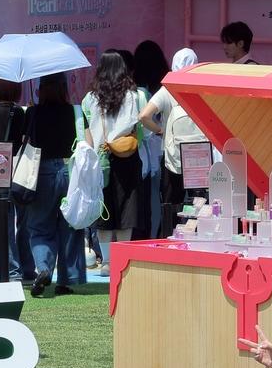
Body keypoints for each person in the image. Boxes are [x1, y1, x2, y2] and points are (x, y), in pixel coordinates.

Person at [23, 73, 82, 297]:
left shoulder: (33, 112)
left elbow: (26, 142)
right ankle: (68, 278)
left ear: (41, 88)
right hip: (70, 169)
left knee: (39, 226)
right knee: (69, 225)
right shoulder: (74, 111)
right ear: (63, 88)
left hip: (42, 170)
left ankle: (44, 268)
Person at [83, 51, 146, 250]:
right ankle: (122, 256)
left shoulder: (90, 98)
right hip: (127, 155)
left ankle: (107, 261)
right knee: (127, 207)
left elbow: (86, 131)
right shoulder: (134, 96)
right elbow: (140, 128)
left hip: (101, 157)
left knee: (104, 207)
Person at [140, 48, 202, 240]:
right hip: (199, 156)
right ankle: (197, 239)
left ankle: (170, 239)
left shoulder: (167, 89)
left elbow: (143, 116)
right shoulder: (201, 87)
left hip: (172, 156)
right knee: (200, 203)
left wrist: (161, 131)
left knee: (171, 202)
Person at [0, 78, 33, 284]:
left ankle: (12, 269)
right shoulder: (20, 112)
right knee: (23, 220)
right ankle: (26, 267)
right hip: (20, 169)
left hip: (0, 170)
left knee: (4, 222)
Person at [132, 40, 169, 239]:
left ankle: (147, 235)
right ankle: (157, 234)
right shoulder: (165, 84)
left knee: (147, 196)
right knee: (158, 196)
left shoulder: (137, 90)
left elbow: (142, 118)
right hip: (161, 148)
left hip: (143, 149)